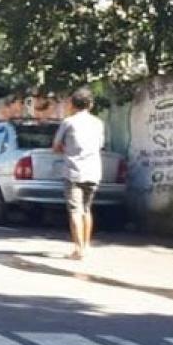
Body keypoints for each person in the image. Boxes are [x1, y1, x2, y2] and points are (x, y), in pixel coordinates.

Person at [54, 87, 106, 259]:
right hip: (93, 171)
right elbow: (100, 145)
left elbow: (56, 146)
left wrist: (67, 150)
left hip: (73, 172)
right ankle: (87, 245)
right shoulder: (98, 123)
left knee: (75, 211)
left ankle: (78, 249)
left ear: (72, 104)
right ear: (90, 104)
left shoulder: (68, 123)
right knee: (86, 209)